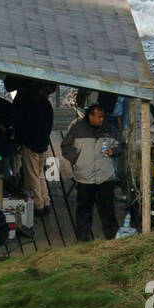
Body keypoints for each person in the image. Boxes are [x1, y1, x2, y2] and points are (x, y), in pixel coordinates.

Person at [60, 103, 120, 242]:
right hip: (85, 177)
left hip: (105, 177)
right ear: (91, 116)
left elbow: (121, 144)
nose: (102, 120)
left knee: (107, 209)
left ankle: (112, 236)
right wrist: (77, 160)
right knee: (84, 209)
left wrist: (114, 151)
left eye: (103, 117)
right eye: (99, 117)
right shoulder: (77, 128)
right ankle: (82, 237)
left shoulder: (110, 128)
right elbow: (65, 146)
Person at [13, 80, 55, 217]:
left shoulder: (27, 105)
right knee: (40, 174)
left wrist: (21, 141)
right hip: (43, 142)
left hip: (31, 144)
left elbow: (22, 125)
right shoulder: (46, 104)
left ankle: (38, 205)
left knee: (32, 176)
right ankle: (46, 201)